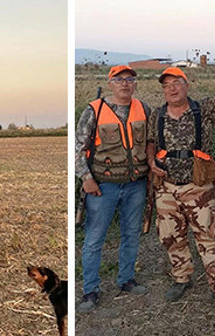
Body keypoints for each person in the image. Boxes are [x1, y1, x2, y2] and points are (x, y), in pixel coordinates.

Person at [145, 65, 215, 307]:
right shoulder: (156, 115)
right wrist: (150, 161)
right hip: (166, 187)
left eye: (176, 83)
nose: (172, 89)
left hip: (197, 186)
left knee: (207, 237)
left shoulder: (205, 108)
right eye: (166, 86)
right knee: (170, 237)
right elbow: (149, 142)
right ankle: (181, 278)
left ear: (187, 85)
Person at [75, 65, 150, 313]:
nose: (125, 84)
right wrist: (86, 178)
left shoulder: (144, 109)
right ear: (110, 84)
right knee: (94, 239)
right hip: (102, 187)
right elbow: (77, 149)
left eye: (130, 79)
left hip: (135, 184)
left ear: (135, 84)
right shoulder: (94, 111)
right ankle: (90, 291)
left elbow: (151, 142)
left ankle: (126, 279)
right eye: (119, 80)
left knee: (131, 234)